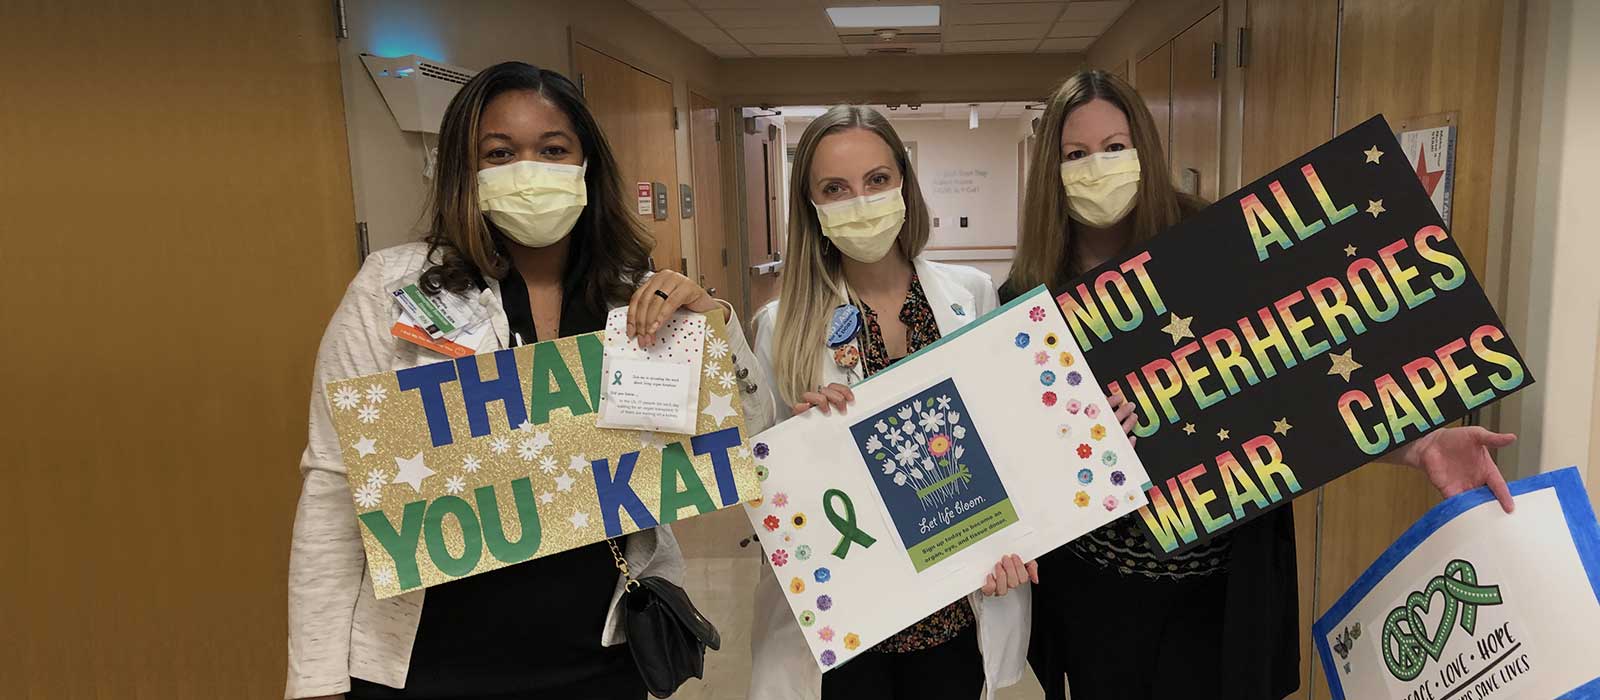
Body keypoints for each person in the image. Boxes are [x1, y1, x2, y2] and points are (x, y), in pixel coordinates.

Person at [1005, 69, 1518, 700]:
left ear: (1144, 147)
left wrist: (1418, 444)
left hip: (1223, 585)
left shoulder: (1219, 247)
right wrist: (1075, 433)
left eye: (1115, 147)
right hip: (1098, 591)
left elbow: (1301, 386)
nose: (1097, 167)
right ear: (1050, 171)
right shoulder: (1026, 300)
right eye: (1076, 155)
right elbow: (1017, 458)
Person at [284, 61, 774, 700]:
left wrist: (716, 327)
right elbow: (333, 487)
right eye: (500, 152)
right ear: (468, 170)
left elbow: (747, 439)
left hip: (596, 653)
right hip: (429, 658)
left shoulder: (633, 293)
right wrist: (315, 678)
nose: (530, 170)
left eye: (552, 149)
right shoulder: (392, 290)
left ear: (585, 164)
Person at [747, 105, 1035, 700]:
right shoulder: (781, 326)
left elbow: (1006, 441)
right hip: (850, 623)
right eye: (835, 188)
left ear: (904, 182)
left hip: (955, 606)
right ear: (813, 208)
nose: (861, 201)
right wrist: (803, 445)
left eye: (878, 180)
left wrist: (1015, 540)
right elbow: (761, 484)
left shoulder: (972, 295)